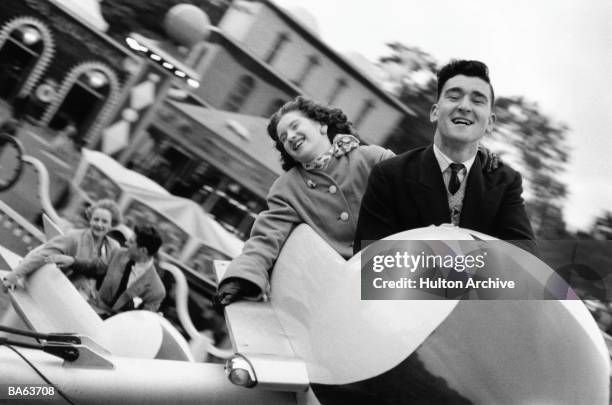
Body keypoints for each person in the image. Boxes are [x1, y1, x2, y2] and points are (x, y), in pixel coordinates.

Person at [216, 96, 500, 305]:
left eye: (294, 126)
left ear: (319, 124)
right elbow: (266, 238)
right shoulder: (286, 189)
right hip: (339, 293)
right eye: (283, 137)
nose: (289, 136)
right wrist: (242, 276)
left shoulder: (371, 158)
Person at [354, 59, 535, 254]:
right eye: (454, 96)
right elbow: (368, 261)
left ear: (490, 123)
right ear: (434, 112)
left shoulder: (506, 182)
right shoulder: (389, 175)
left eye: (477, 100)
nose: (465, 106)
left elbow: (525, 260)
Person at [2, 199, 122, 302]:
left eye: (104, 221)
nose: (99, 224)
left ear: (111, 225)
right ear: (90, 220)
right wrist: (14, 275)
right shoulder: (74, 237)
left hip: (92, 300)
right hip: (64, 294)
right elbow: (44, 254)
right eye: (96, 219)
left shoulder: (114, 247)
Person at [72, 224, 166, 318]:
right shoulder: (119, 253)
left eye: (131, 242)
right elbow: (96, 266)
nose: (126, 243)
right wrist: (72, 261)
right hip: (92, 310)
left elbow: (141, 321)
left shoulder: (157, 291)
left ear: (143, 251)